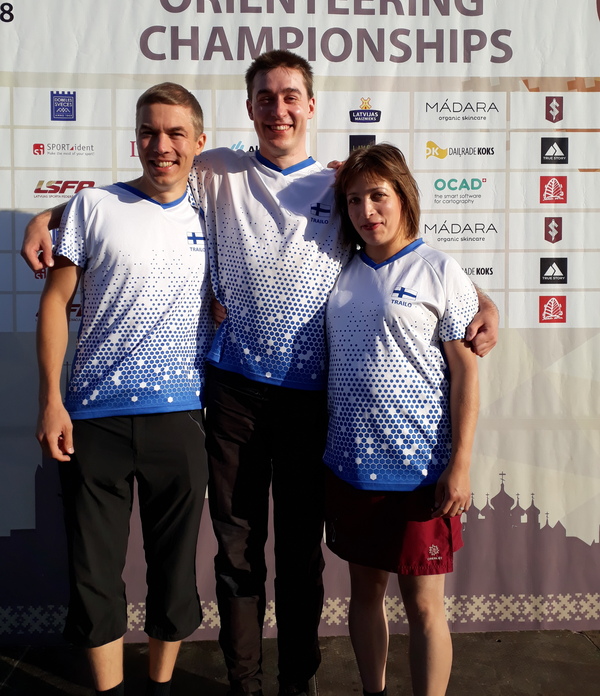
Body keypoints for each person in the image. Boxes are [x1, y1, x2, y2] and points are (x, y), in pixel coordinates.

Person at [23, 51, 498, 696]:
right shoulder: (218, 169)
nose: (279, 109)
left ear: (311, 106)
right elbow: (141, 188)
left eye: (290, 96)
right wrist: (50, 216)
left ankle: (296, 684)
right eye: (266, 98)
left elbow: (404, 257)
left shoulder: (340, 187)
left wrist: (481, 302)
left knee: (300, 557)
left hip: (311, 402)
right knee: (237, 554)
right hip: (233, 396)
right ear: (249, 109)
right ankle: (245, 683)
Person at [35, 83, 213, 696]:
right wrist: (51, 400)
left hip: (182, 418)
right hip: (93, 420)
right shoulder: (92, 205)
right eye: (148, 132)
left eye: (175, 133)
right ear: (135, 138)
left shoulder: (216, 214)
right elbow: (55, 303)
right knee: (94, 576)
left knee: (174, 575)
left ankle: (159, 688)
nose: (161, 145)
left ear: (199, 142)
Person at [324, 142, 479, 696]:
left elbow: (466, 373)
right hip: (351, 468)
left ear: (404, 196)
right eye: (354, 200)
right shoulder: (339, 269)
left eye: (378, 196)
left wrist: (460, 464)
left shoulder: (440, 269)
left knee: (424, 606)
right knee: (365, 593)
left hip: (421, 474)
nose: (367, 211)